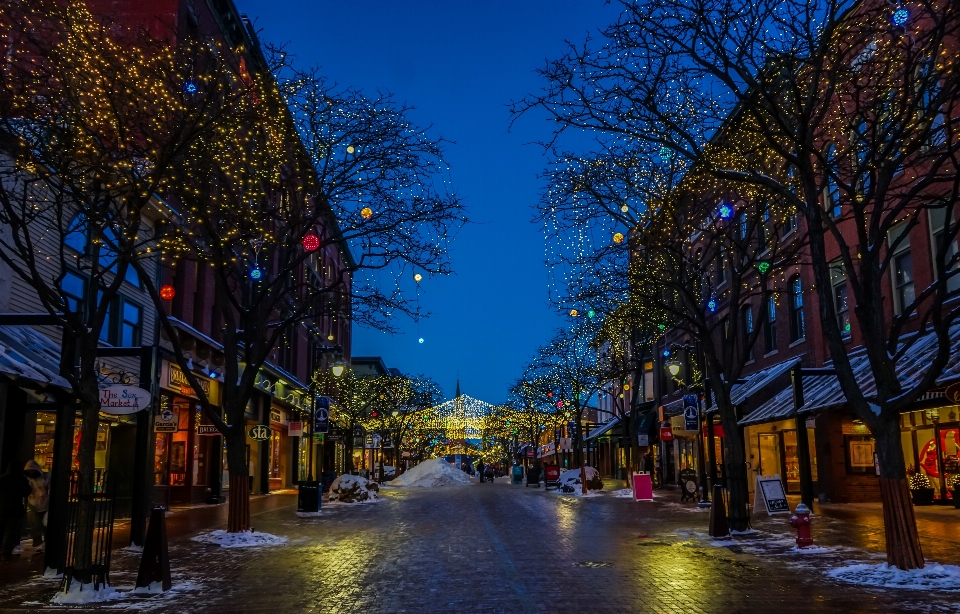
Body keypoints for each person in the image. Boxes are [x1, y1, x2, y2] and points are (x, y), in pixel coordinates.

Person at [0, 460, 31, 561]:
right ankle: (5, 552)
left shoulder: (2, 478)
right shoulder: (21, 479)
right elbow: (27, 491)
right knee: (10, 531)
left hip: (2, 508)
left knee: (2, 528)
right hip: (15, 509)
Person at [23, 460, 49, 551]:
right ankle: (39, 543)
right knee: (36, 526)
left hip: (43, 504)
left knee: (43, 526)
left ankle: (43, 543)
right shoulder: (29, 479)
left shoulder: (45, 477)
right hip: (35, 504)